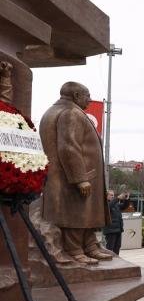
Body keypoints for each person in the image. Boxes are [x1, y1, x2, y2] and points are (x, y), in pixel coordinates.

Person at [39, 81, 112, 264]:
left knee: (85, 213)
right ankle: (75, 250)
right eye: (87, 95)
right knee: (76, 213)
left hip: (71, 175)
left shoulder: (56, 110)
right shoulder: (71, 113)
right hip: (74, 176)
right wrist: (80, 178)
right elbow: (69, 147)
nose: (90, 99)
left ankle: (90, 246)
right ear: (77, 96)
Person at [104, 190, 130, 255]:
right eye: (111, 195)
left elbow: (124, 206)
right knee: (110, 248)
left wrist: (127, 199)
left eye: (113, 195)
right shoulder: (104, 204)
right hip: (110, 230)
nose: (113, 196)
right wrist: (117, 198)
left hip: (118, 229)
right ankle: (109, 262)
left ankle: (116, 261)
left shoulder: (116, 204)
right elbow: (109, 206)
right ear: (106, 196)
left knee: (117, 247)